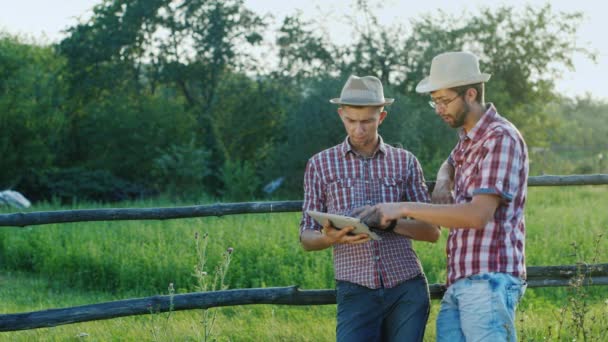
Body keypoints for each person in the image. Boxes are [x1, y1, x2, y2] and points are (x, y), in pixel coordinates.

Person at [357, 51, 529, 341]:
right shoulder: (469, 139)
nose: (438, 108)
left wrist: (400, 208)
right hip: (462, 280)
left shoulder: (500, 138)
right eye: (434, 100)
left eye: (444, 100)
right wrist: (443, 179)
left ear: (471, 94)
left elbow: (477, 215)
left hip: (489, 279)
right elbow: (450, 161)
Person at [299, 75, 441, 342]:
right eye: (351, 121)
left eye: (367, 121)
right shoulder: (320, 164)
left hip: (406, 288)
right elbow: (306, 237)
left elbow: (432, 232)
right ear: (341, 114)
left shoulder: (405, 162)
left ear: (382, 117)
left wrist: (390, 222)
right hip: (355, 289)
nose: (359, 129)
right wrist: (328, 238)